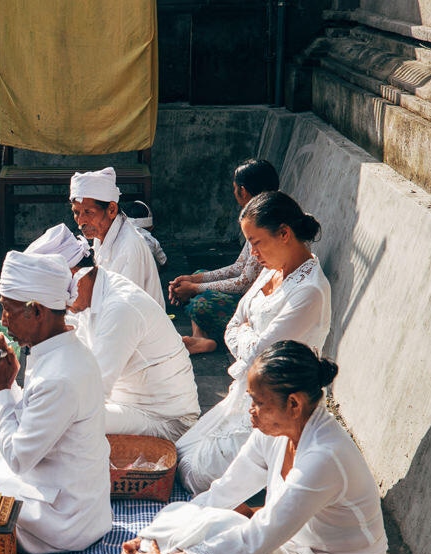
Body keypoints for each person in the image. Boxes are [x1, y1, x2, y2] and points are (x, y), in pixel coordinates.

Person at [37, 341, 387, 554]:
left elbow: (257, 540)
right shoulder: (278, 431)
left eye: (259, 402)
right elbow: (220, 494)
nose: (250, 412)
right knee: (188, 514)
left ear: (294, 404)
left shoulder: (324, 457)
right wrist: (156, 537)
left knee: (228, 533)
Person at [0, 249, 113, 554]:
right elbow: (36, 417)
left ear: (35, 311)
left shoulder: (59, 376)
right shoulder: (60, 350)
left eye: (7, 310)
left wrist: (0, 389)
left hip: (63, 521)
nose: (2, 321)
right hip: (70, 497)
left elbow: (18, 459)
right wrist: (9, 384)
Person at [175, 190, 331, 495]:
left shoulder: (309, 291)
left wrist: (245, 335)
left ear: (284, 233)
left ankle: (259, 479)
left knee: (197, 475)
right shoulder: (270, 272)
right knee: (179, 452)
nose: (253, 253)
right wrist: (247, 335)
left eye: (256, 243)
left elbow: (261, 351)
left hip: (276, 404)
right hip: (245, 391)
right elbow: (235, 321)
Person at [25, 223, 199, 441]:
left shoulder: (120, 308)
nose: (57, 303)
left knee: (63, 418)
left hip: (166, 422)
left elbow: (94, 393)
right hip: (126, 405)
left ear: (75, 275)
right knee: (46, 409)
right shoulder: (89, 291)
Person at [168, 159, 280, 354]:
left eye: (235, 188)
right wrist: (195, 279)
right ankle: (200, 338)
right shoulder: (263, 211)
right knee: (199, 275)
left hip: (261, 305)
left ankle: (206, 337)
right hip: (251, 293)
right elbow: (239, 267)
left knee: (201, 302)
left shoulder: (265, 220)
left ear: (242, 191)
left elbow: (243, 283)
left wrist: (194, 288)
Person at [69, 167, 165, 307]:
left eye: (88, 212)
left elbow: (126, 307)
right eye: (76, 212)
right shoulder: (101, 234)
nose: (81, 221)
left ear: (112, 210)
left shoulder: (129, 247)